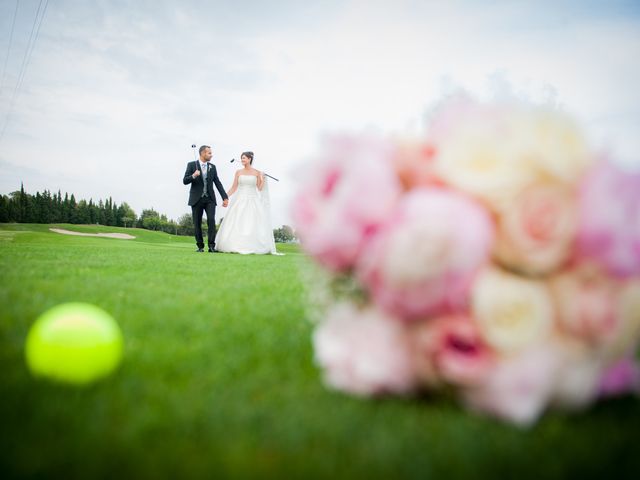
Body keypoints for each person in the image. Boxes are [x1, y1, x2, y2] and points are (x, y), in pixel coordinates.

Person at [215, 151, 278, 254]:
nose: (242, 160)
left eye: (244, 158)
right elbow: (234, 187)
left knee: (252, 222)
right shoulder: (238, 172)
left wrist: (262, 178)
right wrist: (225, 197)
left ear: (249, 159)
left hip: (253, 200)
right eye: (241, 158)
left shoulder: (257, 172)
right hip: (239, 200)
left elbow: (260, 188)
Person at [182, 145, 228, 252]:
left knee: (211, 221)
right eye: (209, 153)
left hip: (210, 199)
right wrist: (193, 175)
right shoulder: (192, 165)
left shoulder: (213, 167)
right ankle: (200, 246)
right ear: (202, 153)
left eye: (211, 153)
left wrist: (224, 197)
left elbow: (217, 182)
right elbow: (185, 181)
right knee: (197, 223)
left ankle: (211, 246)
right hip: (196, 199)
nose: (211, 155)